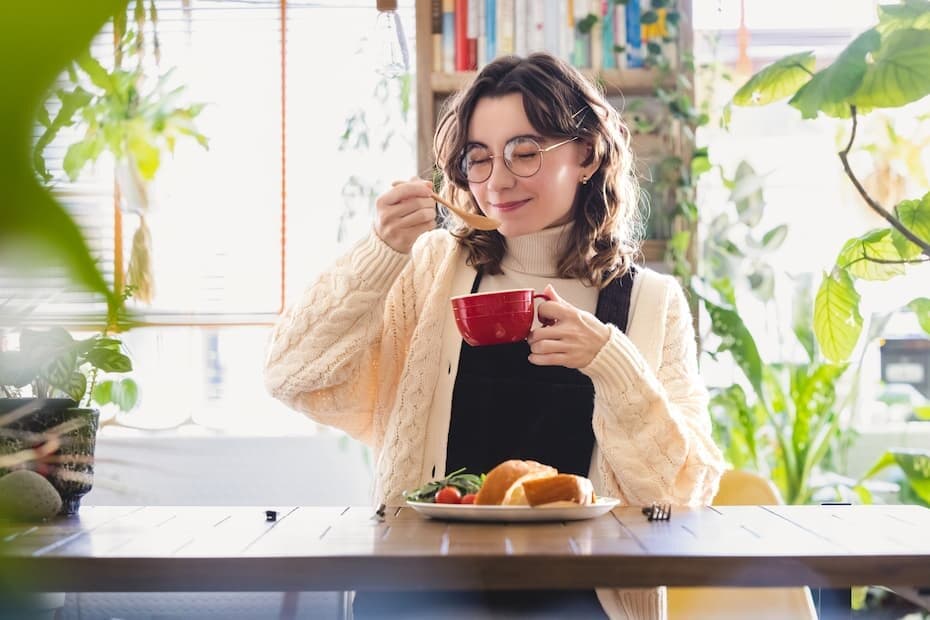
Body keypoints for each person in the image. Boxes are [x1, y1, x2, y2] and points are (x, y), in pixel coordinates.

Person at [264, 52, 724, 619]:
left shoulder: (652, 304)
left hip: (579, 596)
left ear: (585, 154)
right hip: (421, 584)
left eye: (524, 153)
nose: (497, 181)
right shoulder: (432, 269)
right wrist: (382, 252)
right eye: (477, 159)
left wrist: (611, 361)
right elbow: (290, 373)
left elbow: (684, 490)